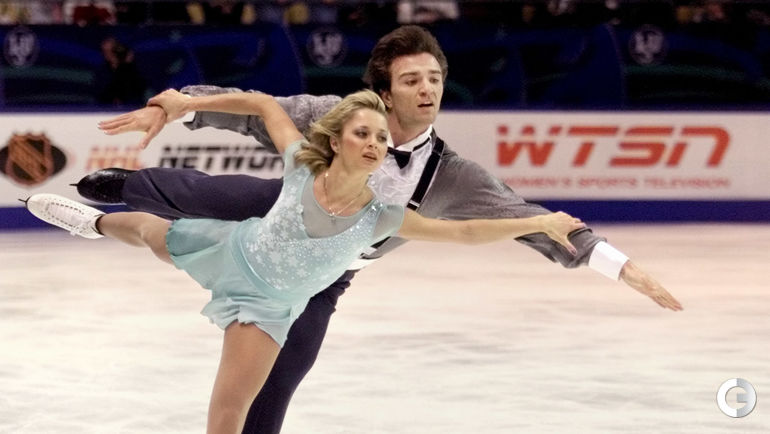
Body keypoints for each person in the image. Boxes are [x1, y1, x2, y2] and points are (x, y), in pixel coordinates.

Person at [82, 25, 682, 434]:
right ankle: (113, 192)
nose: (427, 89)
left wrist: (618, 265)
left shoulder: (451, 176)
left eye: (434, 78)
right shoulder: (336, 119)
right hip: (278, 209)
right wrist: (182, 103)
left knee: (283, 377)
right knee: (196, 193)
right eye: (412, 79)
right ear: (385, 91)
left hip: (324, 273)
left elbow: (522, 220)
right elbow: (261, 108)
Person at [26, 88, 587, 434]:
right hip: (232, 250)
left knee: (227, 413)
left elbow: (463, 232)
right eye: (362, 133)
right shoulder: (301, 165)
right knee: (149, 232)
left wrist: (536, 222)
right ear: (338, 141)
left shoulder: (383, 217)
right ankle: (92, 223)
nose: (374, 143)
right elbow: (265, 106)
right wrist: (188, 103)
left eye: (381, 138)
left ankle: (99, 224)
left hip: (267, 308)